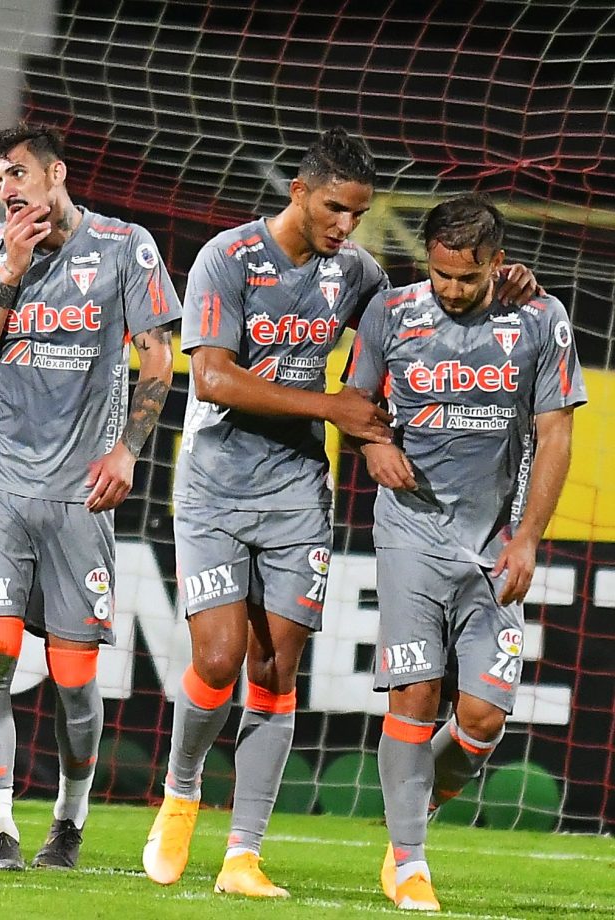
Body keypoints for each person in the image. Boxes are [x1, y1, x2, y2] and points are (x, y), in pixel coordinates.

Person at [145, 130, 539, 897]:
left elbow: (417, 320)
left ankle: (243, 856)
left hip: (299, 490)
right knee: (219, 660)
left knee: (274, 670)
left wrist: (505, 285)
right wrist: (331, 406)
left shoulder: (355, 272)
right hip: (216, 487)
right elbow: (214, 380)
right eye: (334, 208)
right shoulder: (228, 258)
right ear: (299, 191)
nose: (345, 226)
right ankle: (182, 790)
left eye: (357, 213)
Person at [0, 126, 180, 870]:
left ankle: (69, 819)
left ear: (57, 174)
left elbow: (158, 356)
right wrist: (10, 274)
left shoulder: (125, 246)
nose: (6, 189)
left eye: (18, 173)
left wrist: (129, 449)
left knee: (75, 679)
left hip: (82, 492)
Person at [348, 193, 584, 912]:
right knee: (415, 694)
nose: (452, 289)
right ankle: (410, 863)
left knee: (482, 719)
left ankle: (411, 810)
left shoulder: (539, 318)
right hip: (410, 531)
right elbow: (355, 405)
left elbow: (556, 433)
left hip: (495, 543)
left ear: (497, 263)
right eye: (441, 274)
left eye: (468, 277)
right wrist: (374, 446)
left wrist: (528, 537)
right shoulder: (390, 313)